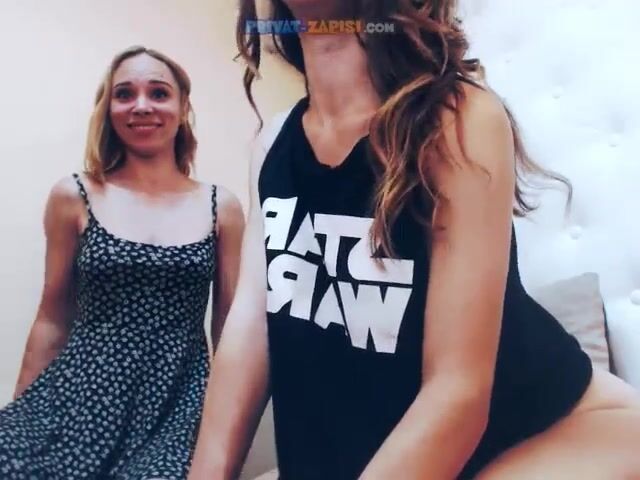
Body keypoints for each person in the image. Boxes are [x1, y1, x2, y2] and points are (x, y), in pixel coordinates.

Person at [188, 1, 640, 479]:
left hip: (566, 431)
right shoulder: (274, 145)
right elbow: (250, 329)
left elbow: (457, 391)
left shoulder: (457, 118)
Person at [0, 46, 245, 479]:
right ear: (108, 109)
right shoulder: (74, 195)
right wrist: (20, 415)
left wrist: (224, 431)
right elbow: (53, 317)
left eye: (159, 93)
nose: (142, 106)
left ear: (183, 108)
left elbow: (230, 331)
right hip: (79, 397)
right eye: (125, 94)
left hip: (177, 405)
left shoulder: (219, 206)